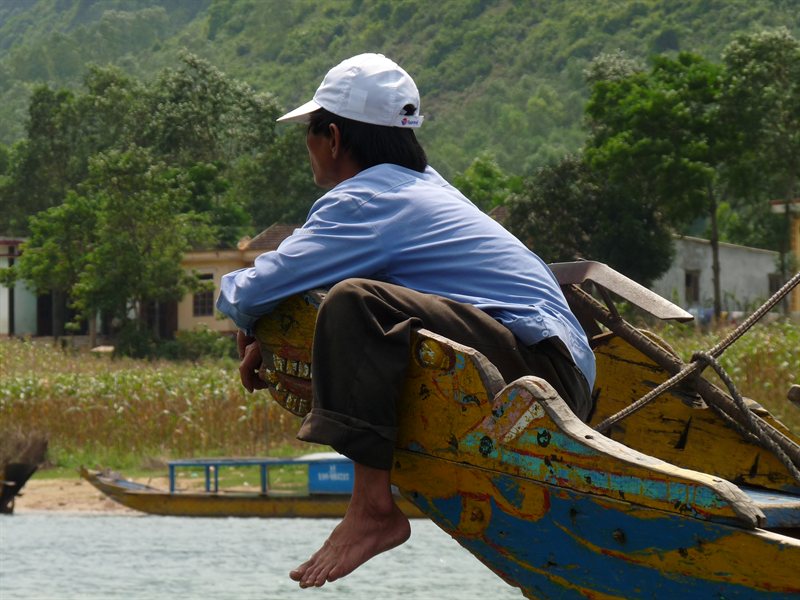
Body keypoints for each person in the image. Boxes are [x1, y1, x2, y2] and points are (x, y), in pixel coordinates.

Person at [216, 53, 596, 589]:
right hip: (562, 369)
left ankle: (372, 507)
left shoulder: (368, 198)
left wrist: (255, 320)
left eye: (310, 131)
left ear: (334, 138)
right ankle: (371, 503)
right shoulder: (421, 188)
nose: (308, 146)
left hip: (538, 370)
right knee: (349, 298)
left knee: (353, 300)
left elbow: (245, 290)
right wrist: (271, 324)